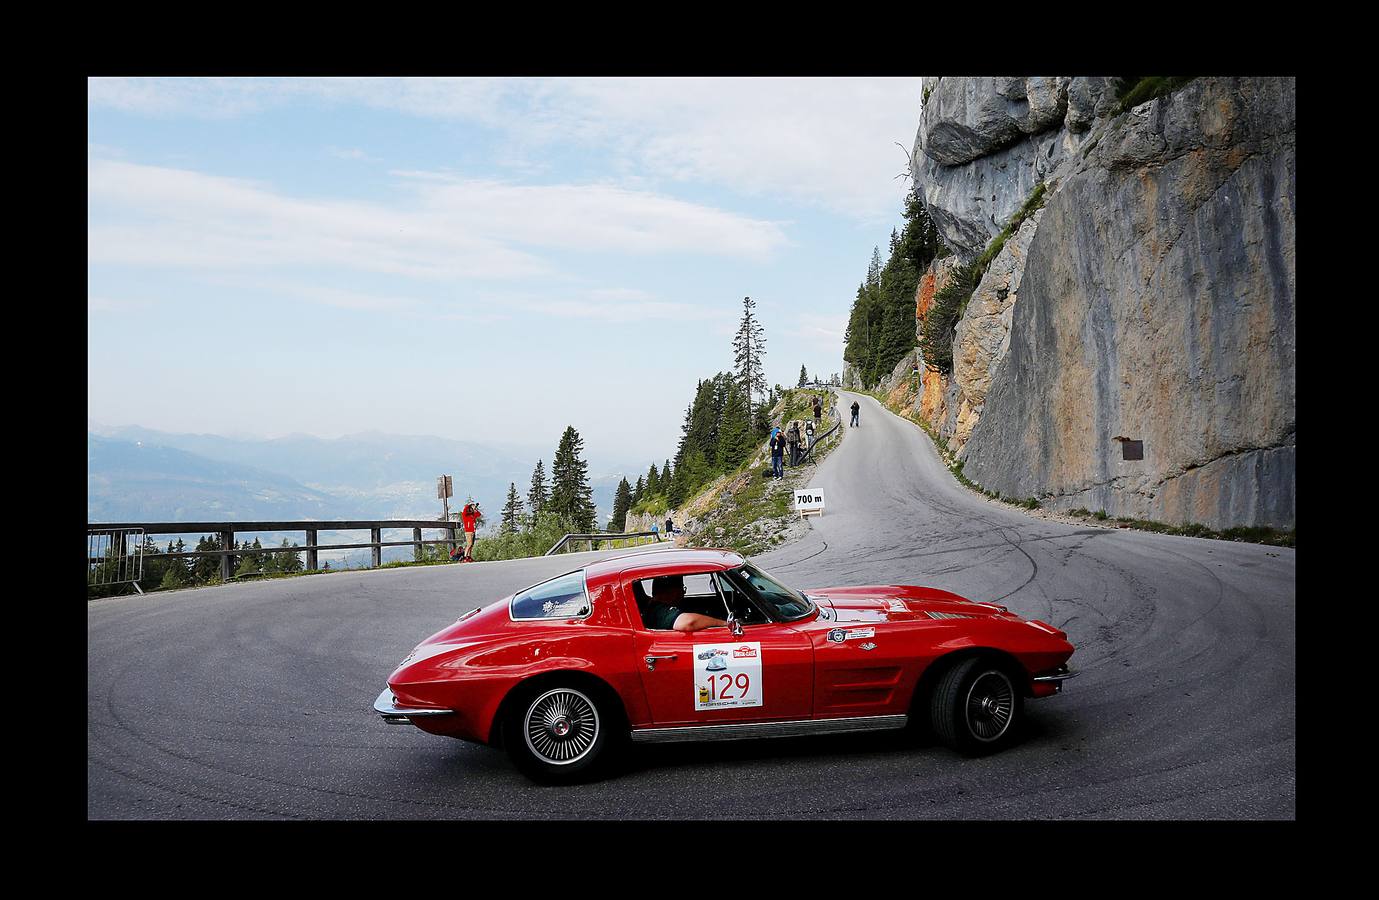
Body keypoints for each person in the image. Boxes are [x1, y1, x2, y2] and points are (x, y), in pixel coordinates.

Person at [639, 575, 727, 632]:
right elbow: (688, 622)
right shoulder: (659, 611)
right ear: (671, 592)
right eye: (681, 589)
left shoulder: (652, 606)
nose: (683, 593)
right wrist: (724, 624)